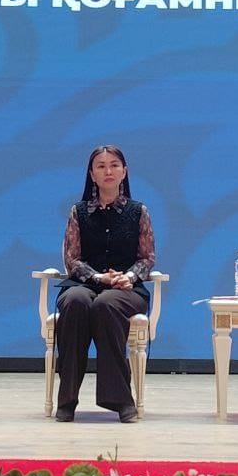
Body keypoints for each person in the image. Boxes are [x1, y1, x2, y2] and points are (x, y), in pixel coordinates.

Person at [53, 145, 156, 423]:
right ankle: (67, 399)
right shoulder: (79, 212)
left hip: (126, 290)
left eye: (114, 165)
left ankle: (120, 400)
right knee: (75, 301)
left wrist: (129, 276)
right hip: (86, 284)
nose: (108, 171)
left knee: (106, 304)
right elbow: (72, 259)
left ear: (124, 172)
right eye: (101, 166)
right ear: (92, 174)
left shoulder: (138, 212)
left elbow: (147, 258)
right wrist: (98, 277)